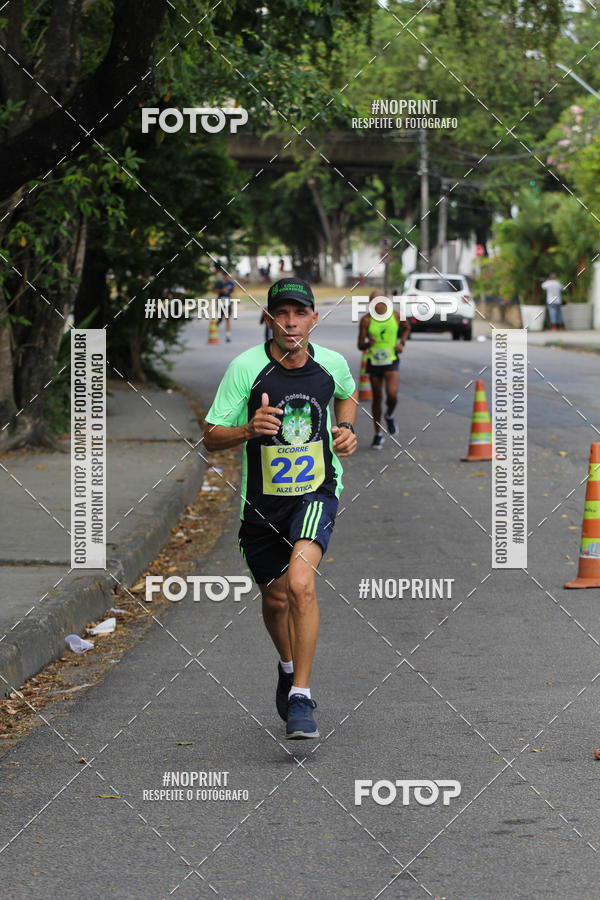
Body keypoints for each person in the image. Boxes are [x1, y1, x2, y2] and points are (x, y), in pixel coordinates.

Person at [203, 278, 358, 739]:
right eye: (282, 314)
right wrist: (249, 429)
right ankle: (287, 667)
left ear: (314, 318)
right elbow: (210, 436)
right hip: (263, 506)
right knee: (274, 600)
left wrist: (346, 428)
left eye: (300, 314)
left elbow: (346, 394)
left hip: (316, 494)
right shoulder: (246, 369)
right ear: (269, 320)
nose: (291, 323)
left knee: (300, 584)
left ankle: (301, 697)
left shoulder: (331, 364)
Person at [357, 290, 410, 449]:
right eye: (374, 301)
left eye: (381, 301)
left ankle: (389, 415)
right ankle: (378, 434)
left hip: (391, 361)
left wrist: (401, 343)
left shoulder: (395, 315)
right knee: (377, 399)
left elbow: (407, 328)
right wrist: (368, 344)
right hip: (374, 363)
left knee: (392, 395)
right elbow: (360, 345)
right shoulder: (366, 320)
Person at [214, 270, 235, 341]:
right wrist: (221, 291)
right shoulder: (219, 283)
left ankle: (228, 336)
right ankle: (215, 327)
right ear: (222, 276)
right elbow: (214, 290)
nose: (225, 277)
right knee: (220, 318)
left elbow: (232, 290)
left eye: (227, 275)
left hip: (228, 301)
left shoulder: (230, 283)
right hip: (221, 300)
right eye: (224, 275)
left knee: (227, 318)